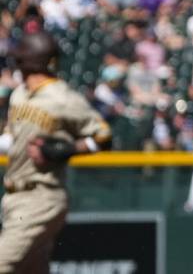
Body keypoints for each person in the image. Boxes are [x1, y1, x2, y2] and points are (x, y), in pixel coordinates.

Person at [0, 32, 112, 273]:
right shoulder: (20, 94)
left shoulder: (63, 98)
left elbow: (103, 136)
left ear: (27, 62)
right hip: (14, 197)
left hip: (42, 197)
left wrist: (68, 149)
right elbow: (11, 139)